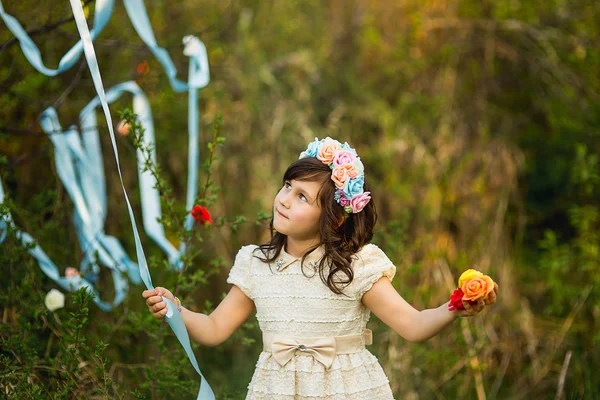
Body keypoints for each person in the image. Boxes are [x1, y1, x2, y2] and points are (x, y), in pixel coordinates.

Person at [142, 137, 498, 399]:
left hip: (349, 389)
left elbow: (413, 325)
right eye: (286, 186)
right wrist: (177, 309)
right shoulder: (257, 263)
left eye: (301, 197)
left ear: (334, 216)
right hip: (276, 389)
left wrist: (454, 306)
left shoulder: (356, 267)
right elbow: (215, 329)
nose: (283, 200)